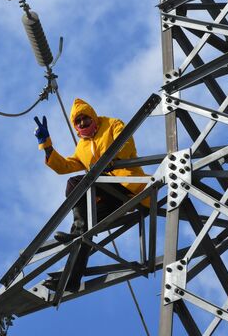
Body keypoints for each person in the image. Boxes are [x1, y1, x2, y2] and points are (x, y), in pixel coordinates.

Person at [34, 98, 147, 291]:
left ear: (93, 116)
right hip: (108, 195)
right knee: (84, 229)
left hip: (127, 186)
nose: (81, 124)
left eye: (85, 118)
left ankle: (77, 232)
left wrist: (111, 158)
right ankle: (71, 279)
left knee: (76, 183)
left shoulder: (112, 124)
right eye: (77, 122)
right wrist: (47, 146)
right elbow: (65, 166)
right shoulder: (82, 147)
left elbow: (125, 142)